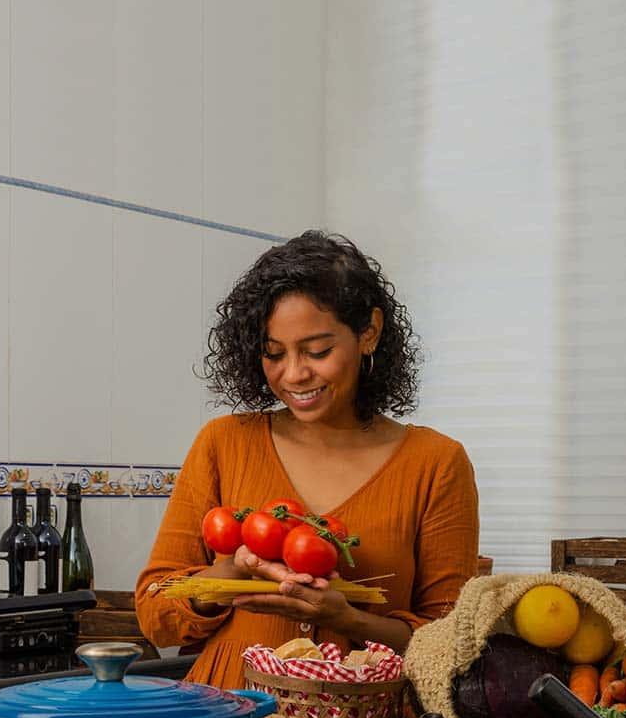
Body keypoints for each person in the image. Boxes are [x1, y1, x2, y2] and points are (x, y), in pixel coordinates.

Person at [135, 231, 479, 688]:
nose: (294, 374)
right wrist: (236, 570)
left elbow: (449, 642)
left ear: (368, 333)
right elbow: (155, 614)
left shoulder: (436, 463)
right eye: (273, 354)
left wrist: (351, 621)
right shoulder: (222, 443)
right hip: (226, 711)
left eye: (318, 351)